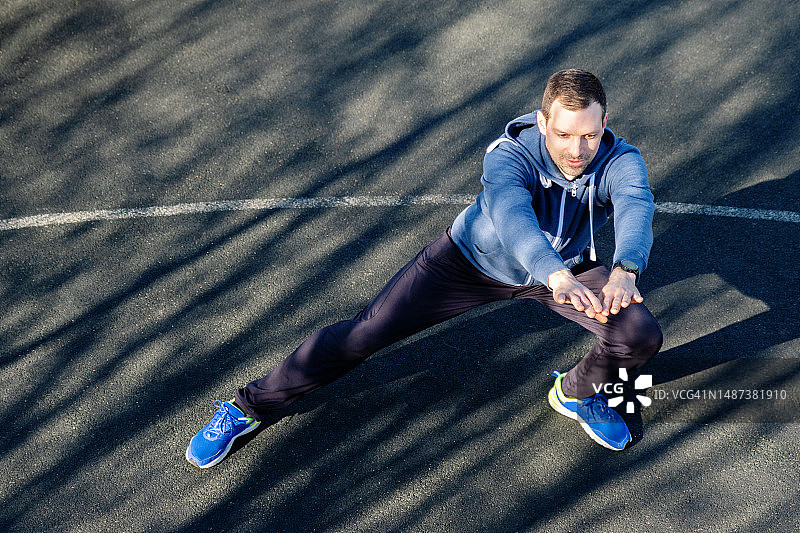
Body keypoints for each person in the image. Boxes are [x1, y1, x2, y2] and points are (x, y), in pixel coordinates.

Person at [186, 69, 663, 468]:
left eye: (589, 134)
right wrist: (553, 274)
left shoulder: (621, 158)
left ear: (605, 123)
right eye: (563, 134)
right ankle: (248, 407)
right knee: (364, 334)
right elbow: (514, 220)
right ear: (542, 123)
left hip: (568, 267)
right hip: (470, 263)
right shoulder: (508, 156)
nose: (577, 150)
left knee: (639, 334)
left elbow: (634, 204)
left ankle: (577, 392)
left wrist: (625, 269)